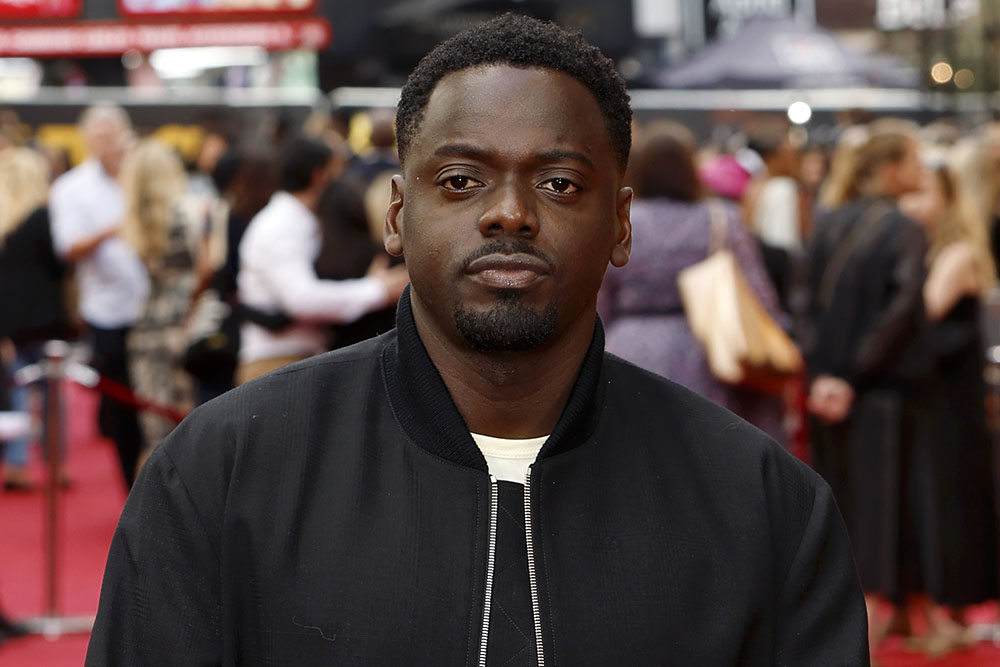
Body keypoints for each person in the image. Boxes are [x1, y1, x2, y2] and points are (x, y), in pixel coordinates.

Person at [87, 14, 867, 665]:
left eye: (560, 183)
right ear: (397, 215)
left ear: (621, 223)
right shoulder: (219, 476)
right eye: (460, 180)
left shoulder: (764, 505)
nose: (509, 214)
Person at [796, 120, 928, 654]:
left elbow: (801, 304)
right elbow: (899, 314)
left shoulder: (826, 223)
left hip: (828, 392)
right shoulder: (904, 228)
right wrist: (850, 375)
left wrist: (824, 375)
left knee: (838, 500)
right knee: (881, 505)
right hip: (881, 392)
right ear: (891, 168)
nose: (923, 171)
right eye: (914, 160)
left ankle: (843, 619)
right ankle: (867, 626)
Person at [599, 120, 787, 443]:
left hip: (626, 349)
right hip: (705, 351)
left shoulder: (620, 222)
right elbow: (759, 295)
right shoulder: (720, 220)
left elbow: (599, 298)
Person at [898, 159, 999, 655]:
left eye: (921, 193)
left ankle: (947, 615)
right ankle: (947, 612)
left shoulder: (956, 253)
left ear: (946, 199)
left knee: (949, 503)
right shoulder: (936, 249)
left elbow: (921, 313)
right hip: (940, 400)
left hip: (952, 406)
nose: (909, 204)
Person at [234, 136, 409, 384]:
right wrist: (378, 290)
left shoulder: (301, 220)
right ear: (319, 174)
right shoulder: (279, 225)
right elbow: (302, 299)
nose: (342, 176)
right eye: (337, 168)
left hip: (296, 359)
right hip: (276, 363)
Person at [49, 103, 149, 491]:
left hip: (153, 310)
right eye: (100, 136)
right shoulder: (72, 188)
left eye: (113, 135)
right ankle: (133, 487)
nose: (108, 144)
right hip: (107, 311)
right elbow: (68, 247)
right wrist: (113, 230)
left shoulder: (141, 176)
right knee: (122, 409)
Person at [120, 138, 199, 461]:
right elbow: (207, 265)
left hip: (147, 326)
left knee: (154, 433)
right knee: (190, 424)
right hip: (185, 323)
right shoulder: (191, 209)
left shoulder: (131, 220)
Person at [0, 147, 70, 491]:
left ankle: (16, 464)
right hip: (42, 319)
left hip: (7, 323)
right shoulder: (42, 216)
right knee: (52, 393)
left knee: (16, 392)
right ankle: (56, 465)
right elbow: (57, 268)